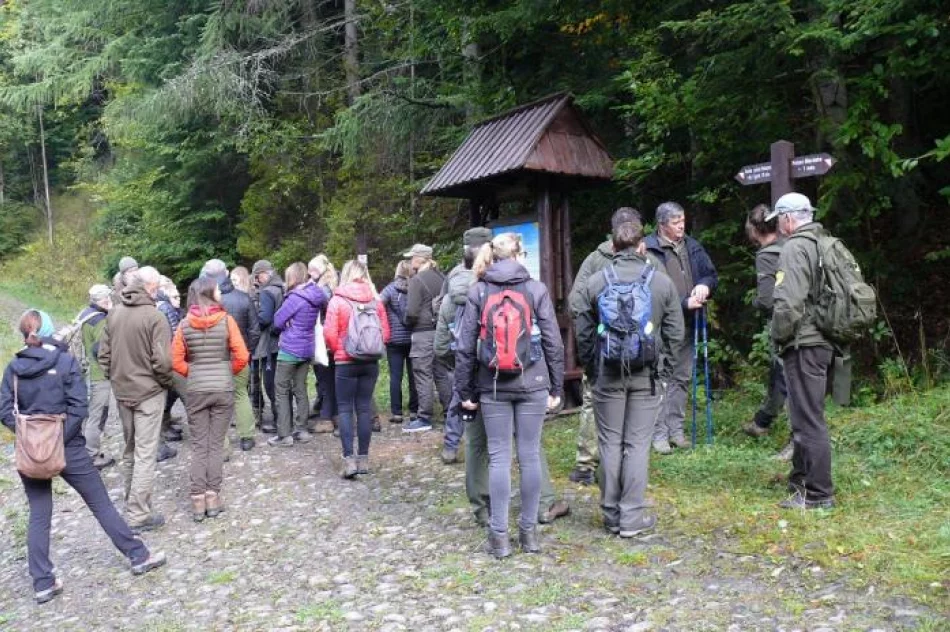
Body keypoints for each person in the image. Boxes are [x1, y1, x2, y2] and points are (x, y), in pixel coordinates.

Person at [0, 309, 167, 604]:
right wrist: (57, 439)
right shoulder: (65, 362)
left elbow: (4, 410)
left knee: (39, 513)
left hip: (31, 450)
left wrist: (31, 437)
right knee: (100, 503)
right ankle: (138, 555)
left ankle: (42, 582)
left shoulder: (13, 368)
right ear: (50, 330)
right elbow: (80, 407)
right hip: (69, 445)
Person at [455, 232, 564, 558]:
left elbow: (464, 346)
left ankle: (499, 538)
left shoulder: (479, 289)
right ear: (520, 254)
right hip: (533, 383)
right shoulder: (535, 288)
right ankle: (528, 535)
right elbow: (553, 341)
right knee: (529, 456)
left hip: (493, 384)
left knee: (500, 458)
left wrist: (465, 390)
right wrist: (556, 386)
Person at [576, 219, 685, 537]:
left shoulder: (595, 282)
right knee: (636, 445)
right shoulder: (661, 281)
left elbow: (583, 331)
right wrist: (663, 370)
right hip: (647, 375)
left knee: (609, 442)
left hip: (607, 374)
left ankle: (610, 514)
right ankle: (632, 518)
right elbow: (675, 333)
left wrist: (592, 366)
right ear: (642, 247)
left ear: (612, 248)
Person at [566, 207, 650, 485]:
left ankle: (586, 464)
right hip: (641, 354)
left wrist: (588, 352)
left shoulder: (594, 260)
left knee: (593, 403)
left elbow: (576, 304)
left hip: (602, 349)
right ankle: (627, 467)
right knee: (635, 407)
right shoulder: (648, 262)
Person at [768, 193, 836, 510]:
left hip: (804, 343)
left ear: (789, 218)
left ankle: (819, 494)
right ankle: (801, 483)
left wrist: (778, 337)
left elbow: (789, 303)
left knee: (809, 420)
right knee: (805, 416)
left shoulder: (795, 247)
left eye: (779, 219)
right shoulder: (823, 241)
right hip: (823, 340)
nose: (779, 225)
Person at [98, 266, 176, 533]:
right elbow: (164, 361)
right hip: (149, 394)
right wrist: (165, 384)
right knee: (145, 453)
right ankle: (138, 513)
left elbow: (103, 355)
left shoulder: (114, 313)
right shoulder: (155, 317)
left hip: (123, 393)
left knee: (130, 450)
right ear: (152, 287)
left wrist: (115, 379)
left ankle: (130, 506)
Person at [172, 277, 250, 520]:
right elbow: (242, 355)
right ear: (210, 294)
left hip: (196, 391)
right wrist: (228, 372)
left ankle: (197, 500)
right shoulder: (227, 321)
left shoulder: (184, 324)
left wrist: (192, 373)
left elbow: (175, 360)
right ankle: (213, 497)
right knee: (215, 445)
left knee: (199, 445)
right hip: (222, 389)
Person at [644, 202, 718, 454]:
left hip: (687, 324)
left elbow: (710, 273)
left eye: (683, 221)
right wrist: (683, 302)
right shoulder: (649, 250)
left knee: (682, 378)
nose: (682, 226)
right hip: (660, 327)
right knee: (660, 380)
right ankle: (659, 434)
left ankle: (676, 430)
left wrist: (705, 286)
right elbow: (649, 292)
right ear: (662, 225)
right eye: (676, 223)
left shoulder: (692, 245)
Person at [324, 260, 391, 478]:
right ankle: (364, 459)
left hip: (345, 361)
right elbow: (386, 334)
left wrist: (339, 351)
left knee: (344, 409)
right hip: (370, 362)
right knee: (363, 408)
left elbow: (329, 334)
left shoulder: (337, 300)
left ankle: (349, 460)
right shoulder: (375, 300)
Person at [434, 228, 490, 463]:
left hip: (460, 350)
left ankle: (450, 446)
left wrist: (448, 355)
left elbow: (443, 315)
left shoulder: (453, 278)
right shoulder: (494, 279)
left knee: (459, 395)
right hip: (491, 350)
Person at [742, 204, 792, 461]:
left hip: (784, 324)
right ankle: (763, 421)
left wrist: (754, 303)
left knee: (787, 377)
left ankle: (797, 441)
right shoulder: (791, 246)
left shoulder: (766, 255)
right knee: (779, 374)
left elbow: (766, 300)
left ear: (754, 230)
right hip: (804, 320)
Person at [202, 259, 261, 452]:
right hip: (240, 356)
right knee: (241, 394)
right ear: (226, 272)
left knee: (217, 399)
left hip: (214, 359)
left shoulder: (204, 302)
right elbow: (254, 330)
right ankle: (247, 437)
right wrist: (247, 351)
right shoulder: (244, 298)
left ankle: (222, 441)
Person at [268, 262, 327, 447]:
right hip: (307, 348)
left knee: (281, 390)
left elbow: (277, 321)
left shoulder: (294, 298)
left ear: (292, 277)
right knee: (300, 388)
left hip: (289, 349)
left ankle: (284, 434)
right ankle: (301, 430)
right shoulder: (317, 295)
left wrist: (287, 324)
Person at [403, 243, 446, 433]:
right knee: (442, 374)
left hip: (422, 333)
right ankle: (450, 413)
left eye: (412, 257)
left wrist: (406, 322)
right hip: (442, 332)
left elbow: (411, 312)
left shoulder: (417, 280)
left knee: (422, 374)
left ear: (420, 259)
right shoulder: (442, 278)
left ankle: (424, 418)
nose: (410, 261)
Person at [79, 284, 116, 469]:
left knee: (93, 413)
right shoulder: (100, 320)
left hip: (87, 371)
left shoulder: (85, 314)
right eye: (108, 298)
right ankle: (92, 455)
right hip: (99, 374)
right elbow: (101, 350)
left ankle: (86, 450)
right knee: (98, 414)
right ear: (103, 300)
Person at [380, 260, 418, 426]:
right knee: (413, 376)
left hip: (394, 340)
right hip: (412, 337)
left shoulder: (389, 289)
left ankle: (396, 412)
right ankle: (415, 410)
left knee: (395, 376)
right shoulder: (416, 288)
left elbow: (377, 305)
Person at [251, 260, 285, 434]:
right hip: (281, 342)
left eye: (258, 276)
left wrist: (252, 317)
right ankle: (283, 419)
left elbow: (264, 319)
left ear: (263, 273)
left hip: (269, 345)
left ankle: (280, 421)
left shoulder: (266, 292)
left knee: (270, 384)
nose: (257, 280)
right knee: (281, 383)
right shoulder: (281, 287)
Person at [308, 254, 338, 433]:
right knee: (330, 377)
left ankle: (327, 417)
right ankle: (332, 414)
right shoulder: (333, 284)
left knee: (325, 378)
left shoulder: (322, 289)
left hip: (324, 337)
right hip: (331, 336)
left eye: (314, 269)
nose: (311, 272)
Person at [156, 277, 184, 460]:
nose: (178, 299)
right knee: (177, 393)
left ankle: (165, 425)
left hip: (169, 358)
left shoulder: (170, 308)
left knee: (170, 395)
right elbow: (175, 335)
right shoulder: (166, 309)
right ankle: (163, 429)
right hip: (172, 359)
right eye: (174, 296)